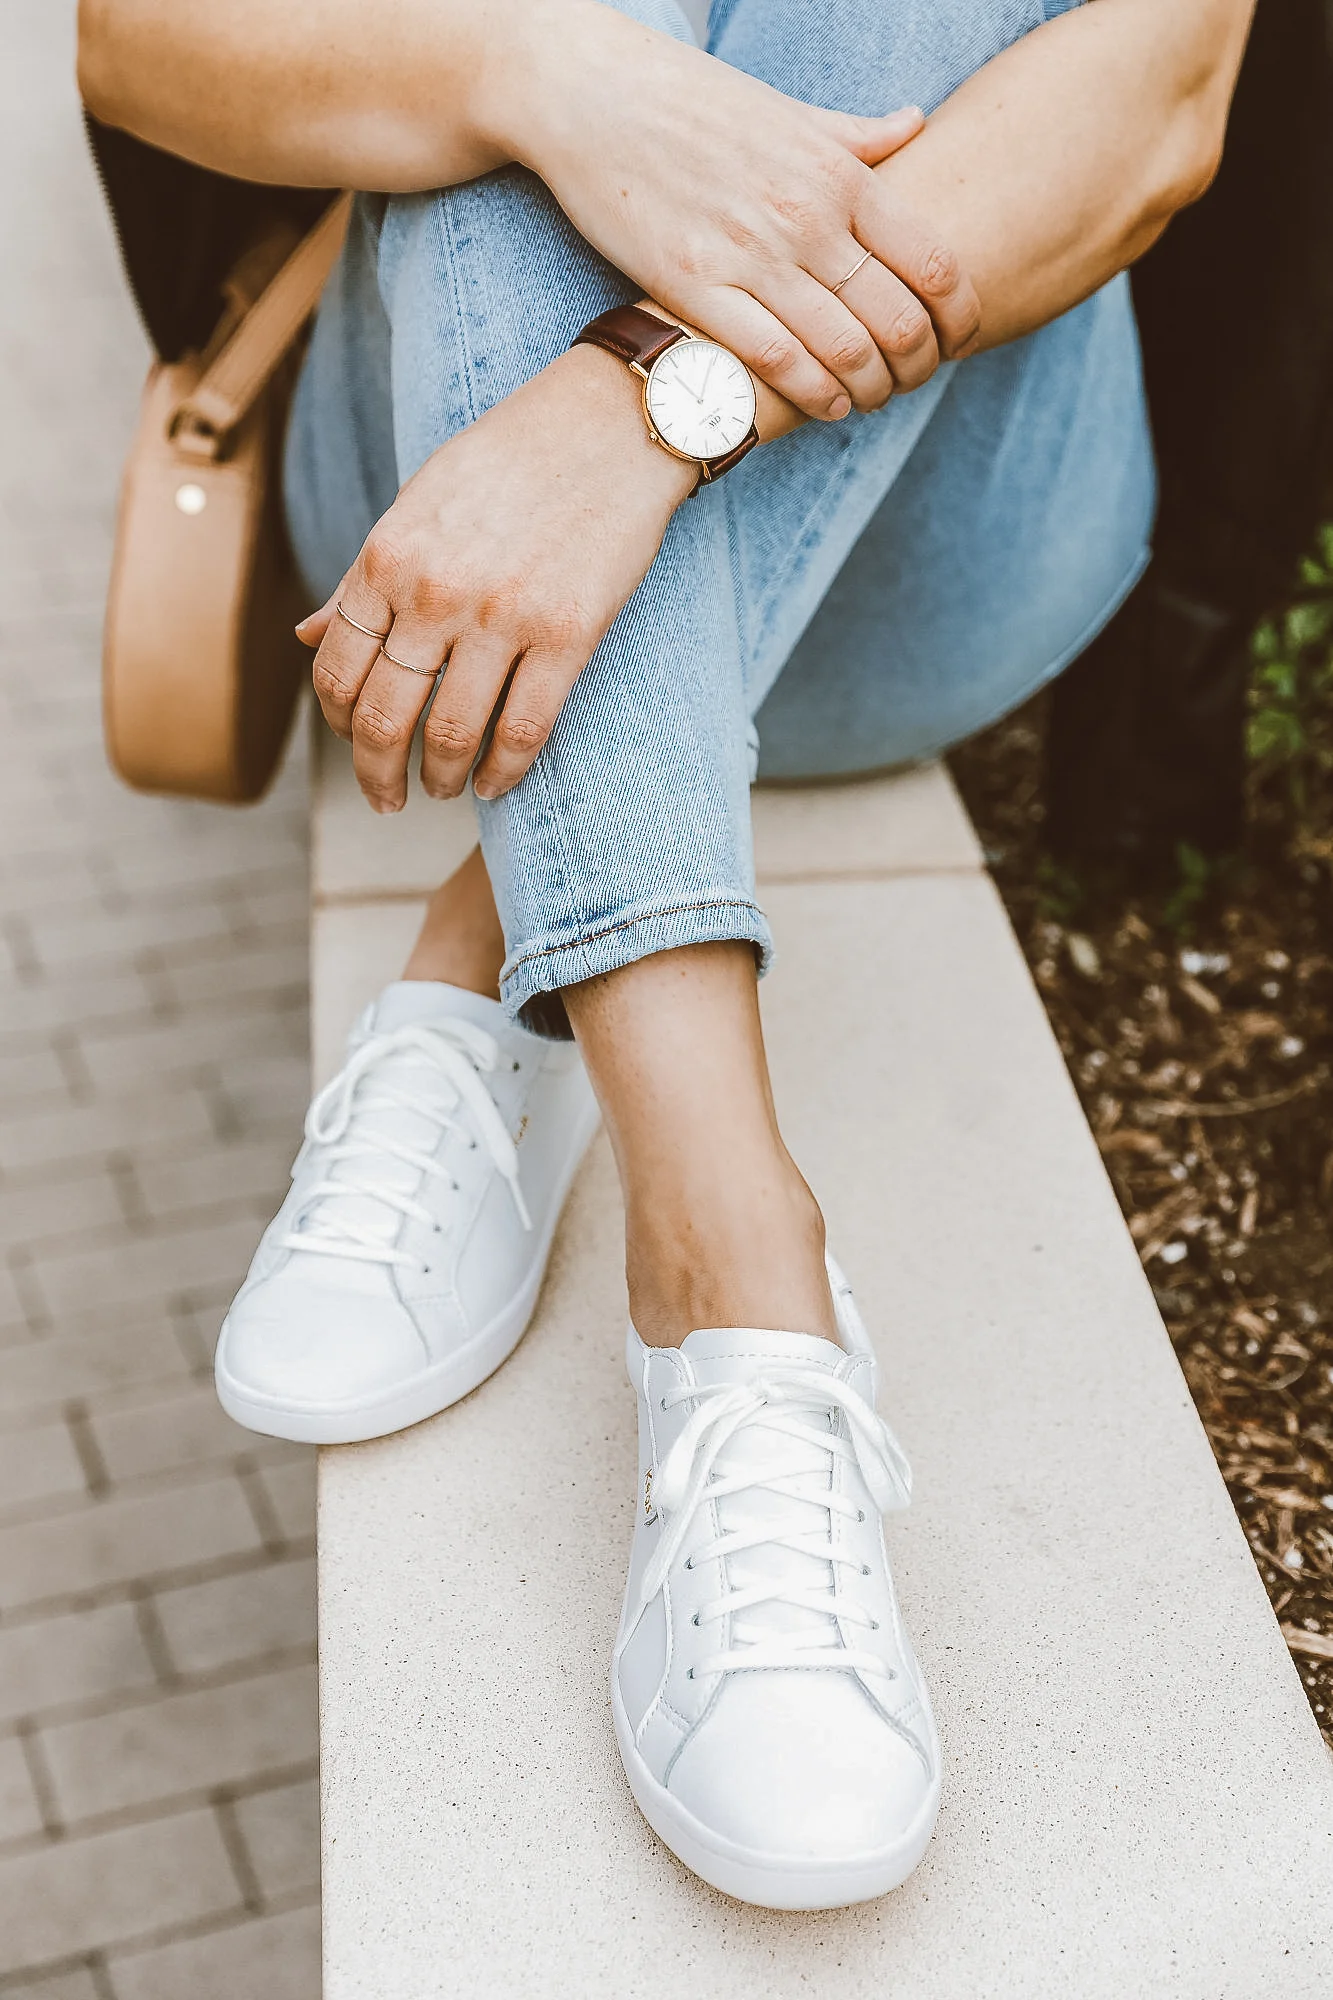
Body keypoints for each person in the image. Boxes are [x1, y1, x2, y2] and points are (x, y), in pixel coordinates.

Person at [81, 0, 1252, 1911]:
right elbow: (132, 46)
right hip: (409, 504)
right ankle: (742, 1276)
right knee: (528, 72)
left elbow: (1162, 101)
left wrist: (627, 412)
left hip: (936, 540)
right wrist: (550, 78)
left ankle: (508, 965)